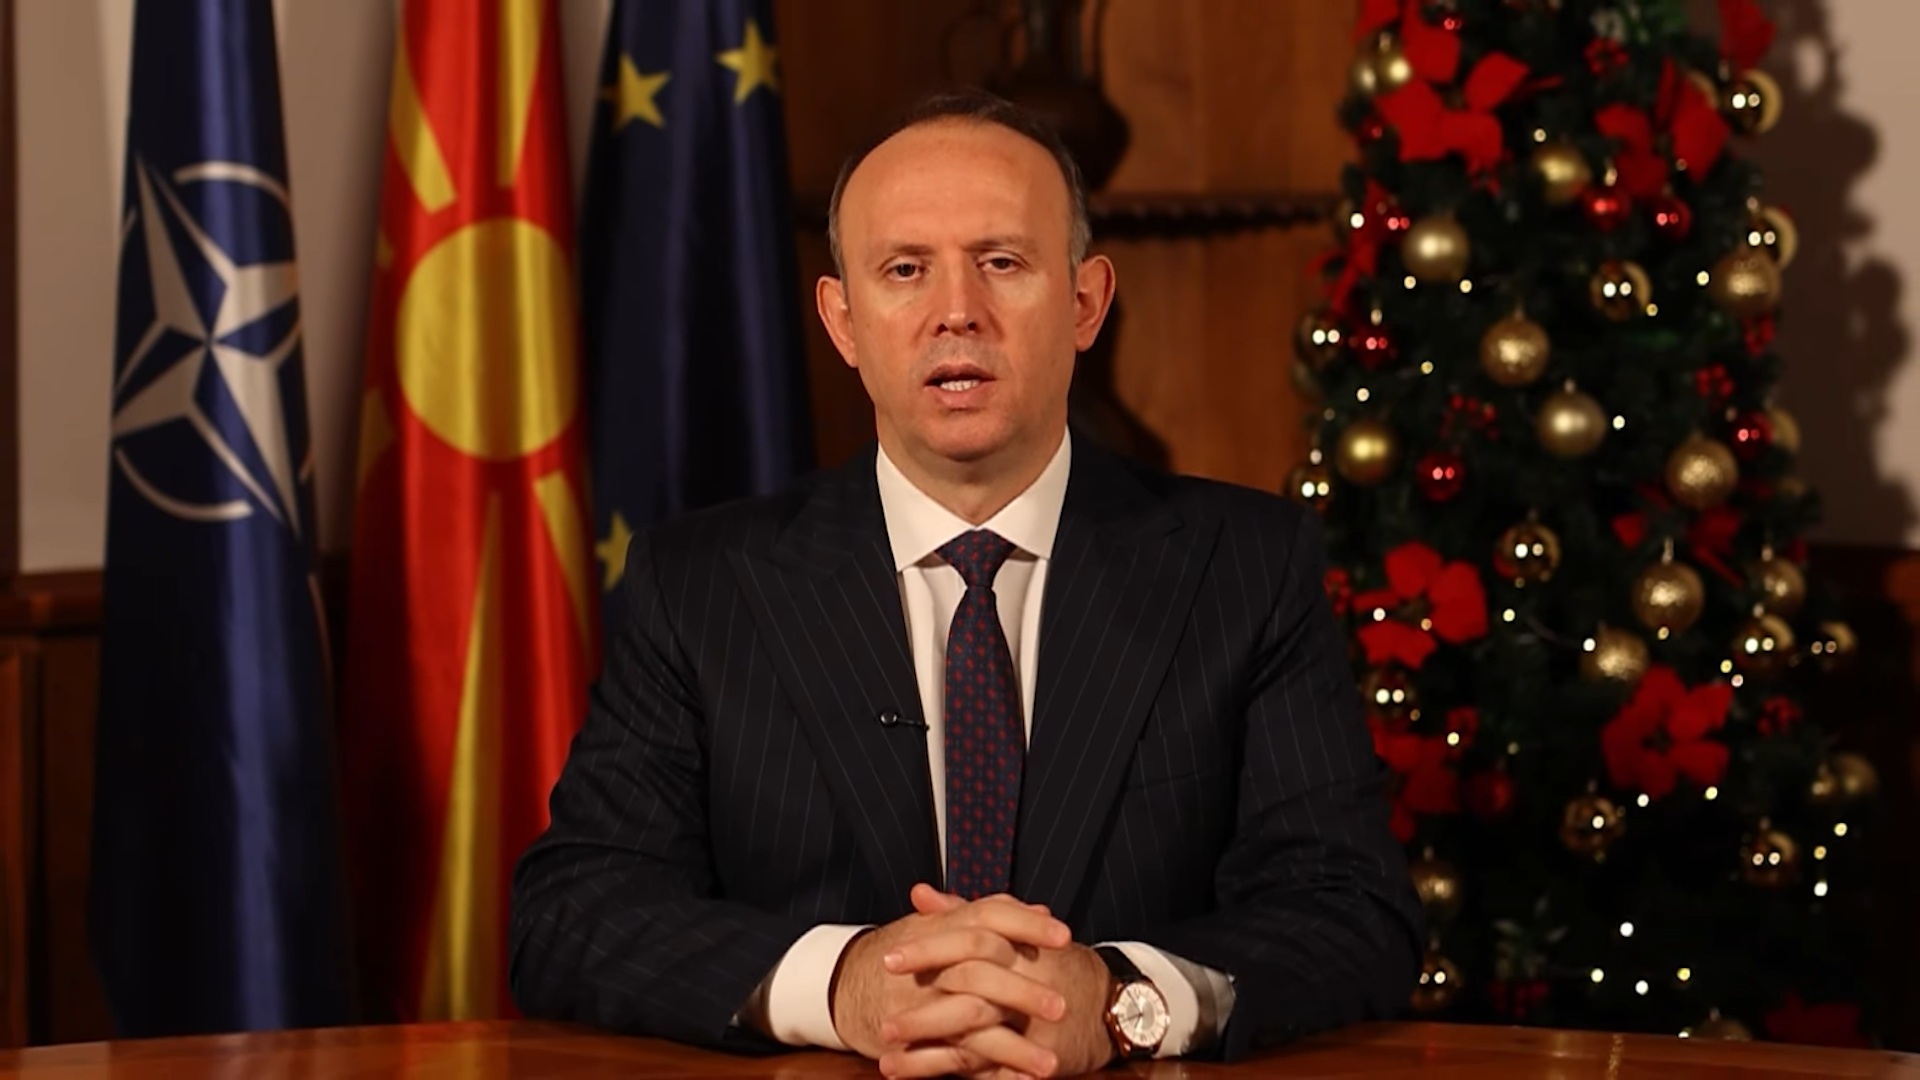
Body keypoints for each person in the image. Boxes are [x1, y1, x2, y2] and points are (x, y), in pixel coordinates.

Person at [510, 90, 1422, 1078]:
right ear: (843, 320)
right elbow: (574, 912)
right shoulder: (701, 586)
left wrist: (1117, 1003)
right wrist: (846, 986)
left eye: (1002, 262)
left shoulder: (1247, 566)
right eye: (905, 270)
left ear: (1085, 302)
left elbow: (1352, 912)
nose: (957, 312)